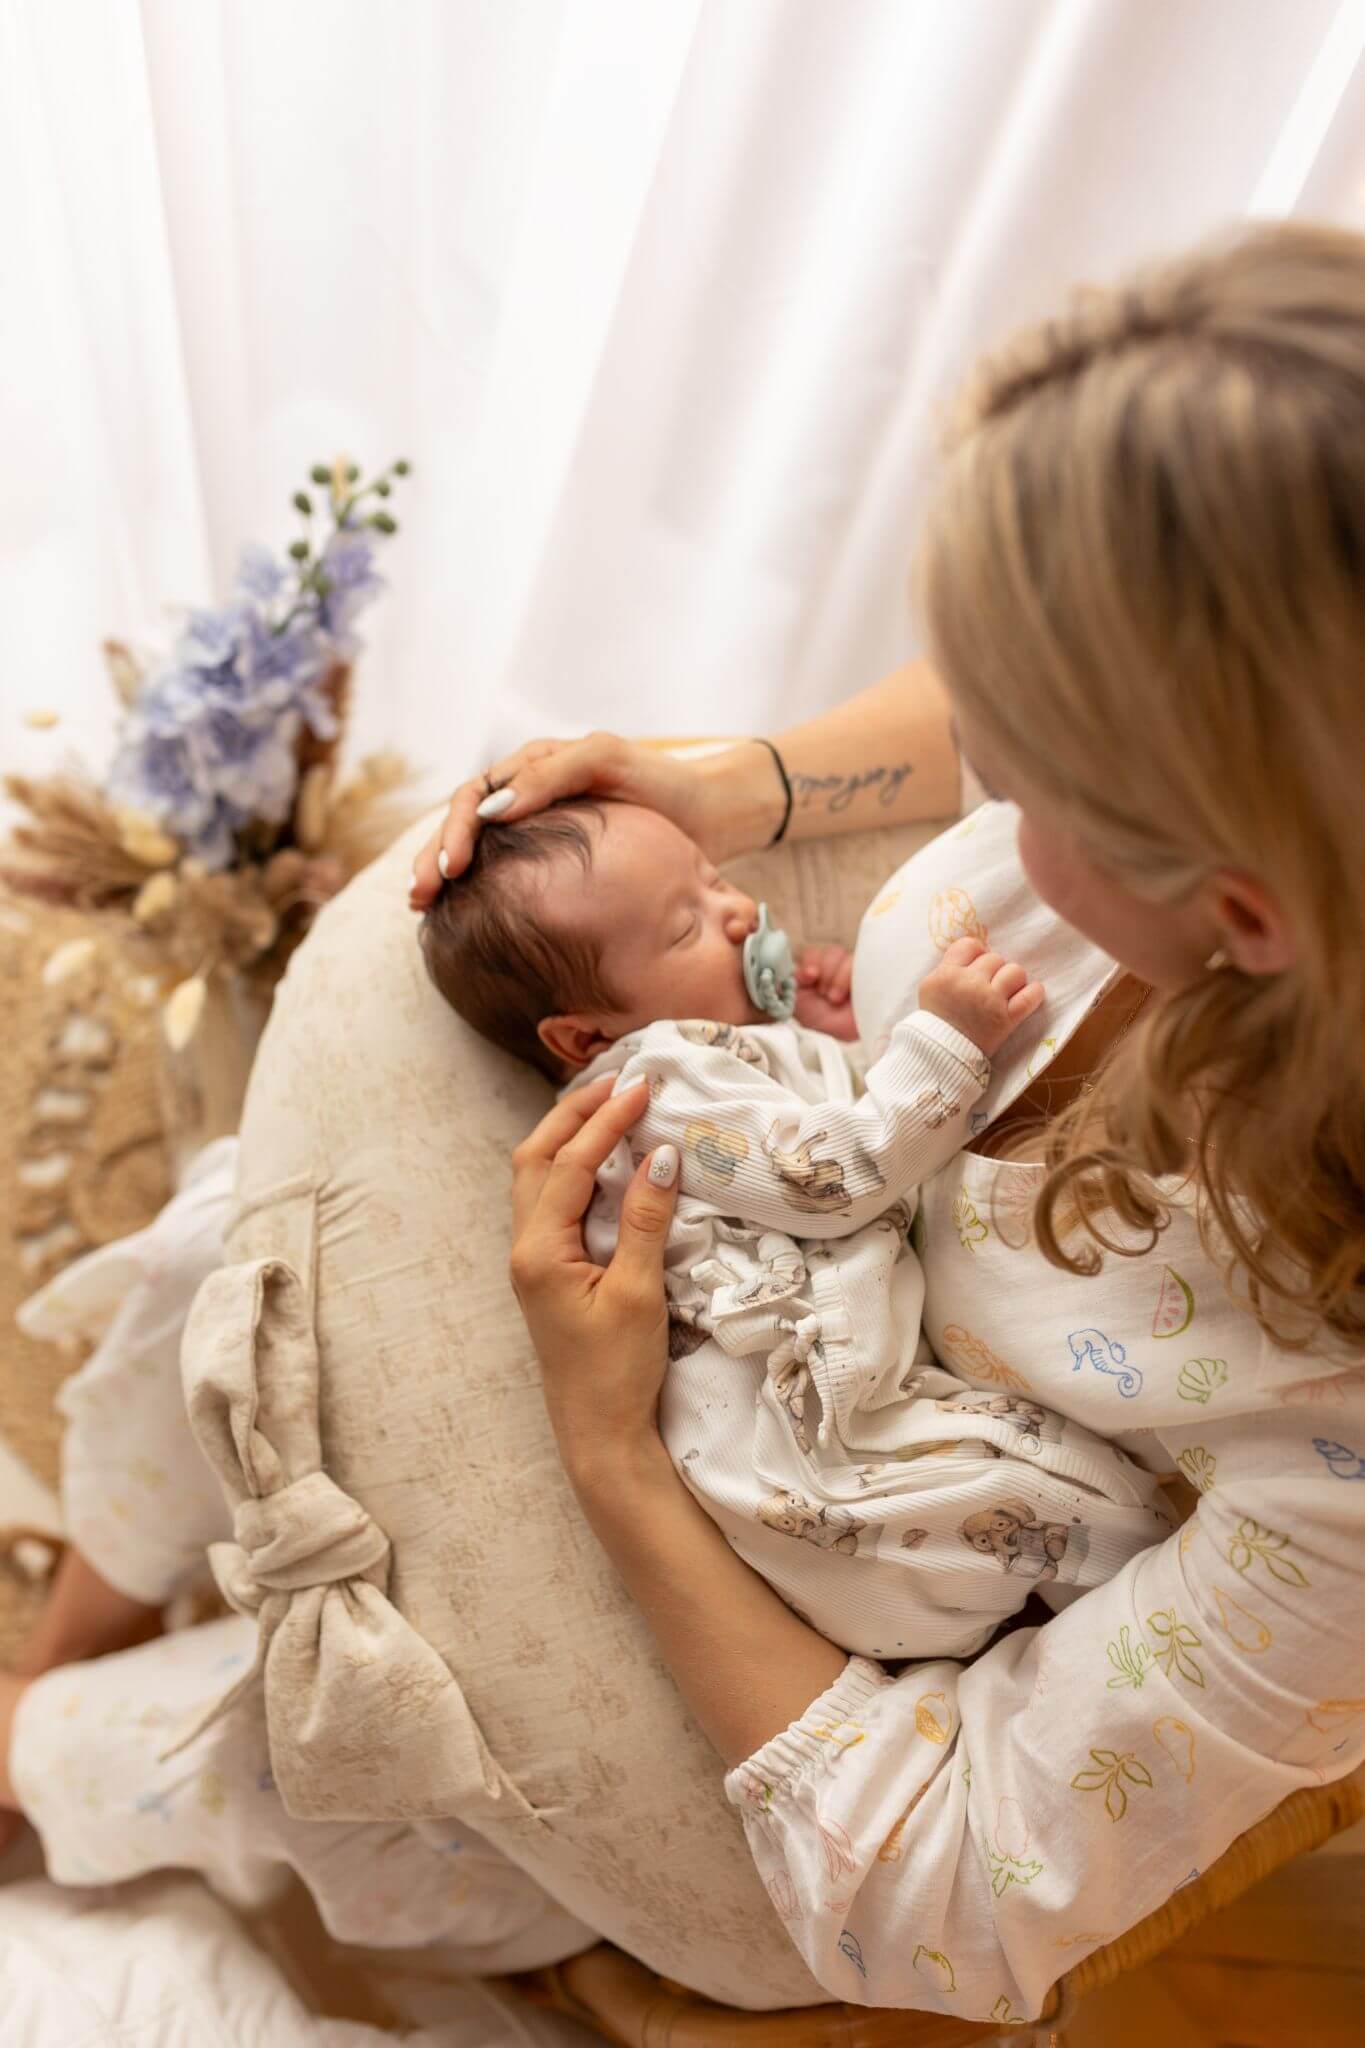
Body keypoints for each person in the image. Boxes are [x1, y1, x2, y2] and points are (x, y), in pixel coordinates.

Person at [415, 221, 1365, 2019]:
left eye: (1014, 757)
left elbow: (941, 1895)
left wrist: (605, 1443)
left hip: (819, 1497)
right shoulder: (1241, 793)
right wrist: (733, 786)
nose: (968, 767)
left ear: (1242, 905)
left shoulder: (1335, 1441)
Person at [419, 795, 1170, 1657]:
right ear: (586, 1034)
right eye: (683, 927)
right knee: (1106, 1522)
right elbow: (827, 1177)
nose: (737, 912)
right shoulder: (651, 1083)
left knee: (1072, 1514)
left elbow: (815, 1149)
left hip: (862, 1417)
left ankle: (1037, 1627)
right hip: (812, 1456)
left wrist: (836, 1042)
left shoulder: (731, 1057)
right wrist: (942, 1040)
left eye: (714, 881)